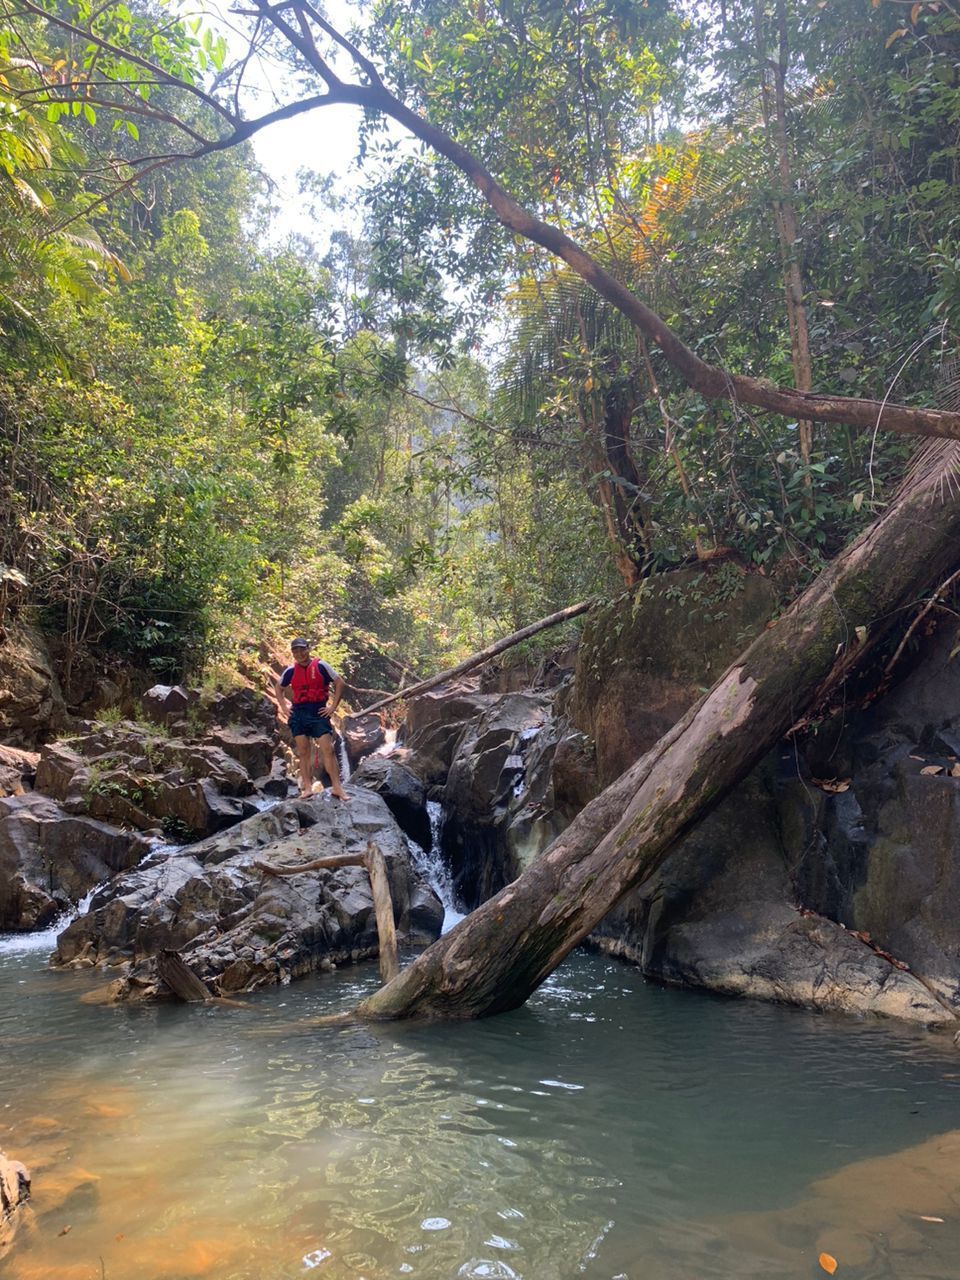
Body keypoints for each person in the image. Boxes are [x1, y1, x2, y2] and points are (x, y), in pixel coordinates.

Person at [276, 638, 350, 801]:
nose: (299, 654)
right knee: (303, 752)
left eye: (302, 650)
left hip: (318, 713)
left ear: (308, 649)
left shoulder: (321, 666)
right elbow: (279, 687)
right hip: (298, 715)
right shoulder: (290, 671)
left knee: (328, 750)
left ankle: (337, 788)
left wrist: (333, 707)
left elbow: (340, 683)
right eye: (295, 651)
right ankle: (308, 788)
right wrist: (284, 707)